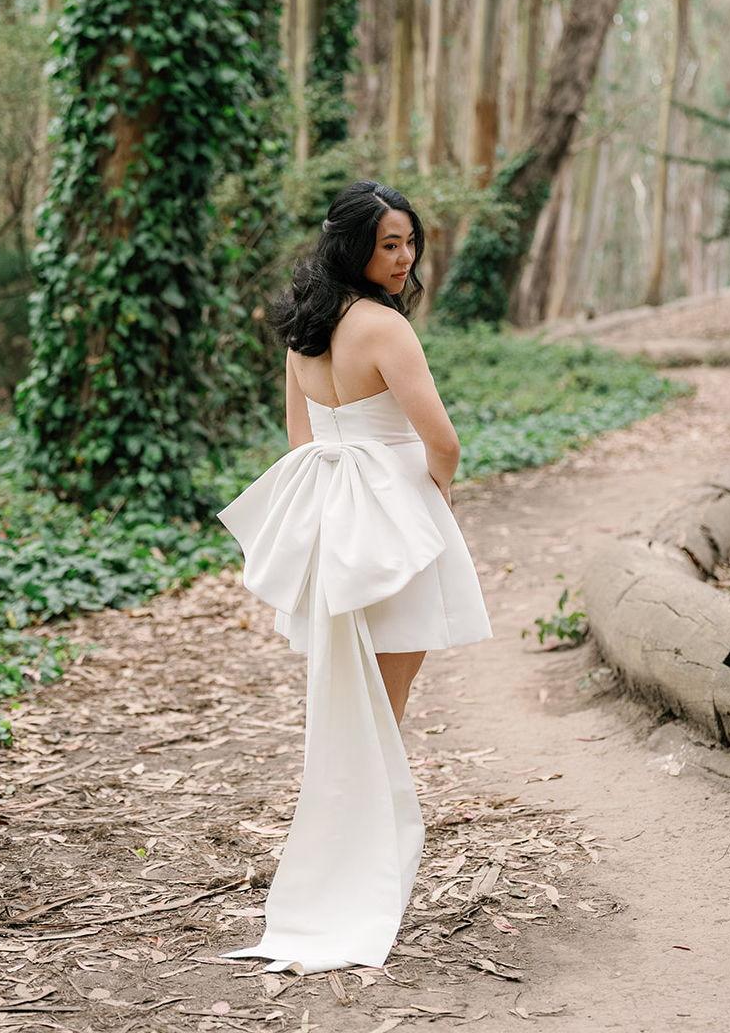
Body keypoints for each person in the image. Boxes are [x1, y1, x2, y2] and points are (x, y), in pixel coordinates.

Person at [217, 179, 492, 975]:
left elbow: (301, 441)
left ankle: (337, 876)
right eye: (389, 245)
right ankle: (360, 883)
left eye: (409, 244)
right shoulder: (384, 330)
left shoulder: (306, 328)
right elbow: (443, 442)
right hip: (393, 525)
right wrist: (432, 501)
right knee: (383, 715)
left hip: (334, 526)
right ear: (354, 247)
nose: (404, 260)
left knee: (348, 706)